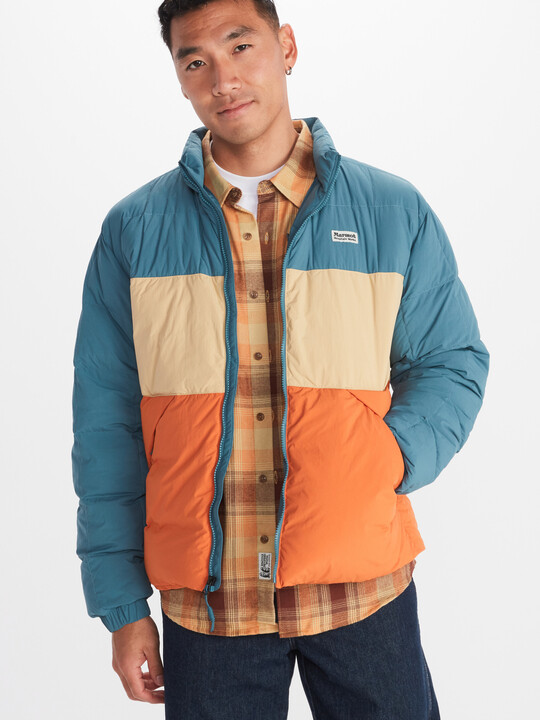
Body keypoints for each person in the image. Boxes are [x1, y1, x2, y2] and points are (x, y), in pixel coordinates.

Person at [71, 0, 490, 717]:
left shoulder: (392, 211)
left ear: (287, 46)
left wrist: (385, 460)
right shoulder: (134, 231)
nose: (223, 79)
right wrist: (121, 604)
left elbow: (451, 361)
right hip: (210, 604)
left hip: (362, 587)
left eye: (241, 47)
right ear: (178, 76)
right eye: (195, 60)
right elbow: (105, 424)